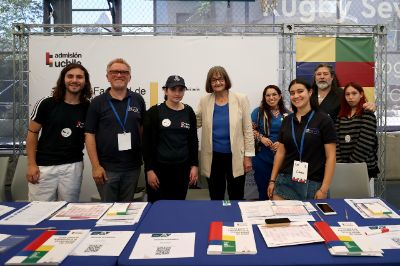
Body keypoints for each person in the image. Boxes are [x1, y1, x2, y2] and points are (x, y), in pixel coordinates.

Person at [26, 63, 92, 201]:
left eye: (79, 77)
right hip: (43, 167)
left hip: (73, 166)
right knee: (39, 211)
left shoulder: (88, 108)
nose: (74, 80)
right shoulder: (46, 104)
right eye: (70, 76)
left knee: (67, 211)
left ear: (85, 81)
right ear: (63, 79)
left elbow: (90, 137)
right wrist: (31, 164)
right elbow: (32, 133)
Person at [85, 58, 146, 202]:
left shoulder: (138, 99)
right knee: (108, 211)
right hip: (106, 169)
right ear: (107, 77)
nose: (119, 75)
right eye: (114, 72)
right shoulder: (97, 103)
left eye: (124, 72)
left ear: (130, 77)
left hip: (133, 167)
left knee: (126, 210)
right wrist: (95, 166)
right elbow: (89, 135)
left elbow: (143, 130)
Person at [267, 79, 336, 200]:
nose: (296, 96)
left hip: (313, 183)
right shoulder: (287, 120)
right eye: (292, 93)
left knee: (312, 218)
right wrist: (272, 180)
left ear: (310, 92)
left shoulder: (324, 120)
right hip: (285, 180)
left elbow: (331, 157)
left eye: (300, 91)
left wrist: (324, 189)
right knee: (283, 217)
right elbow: (281, 153)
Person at [196, 66, 254, 200]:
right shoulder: (205, 101)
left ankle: (235, 220)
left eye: (220, 79)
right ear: (209, 83)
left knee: (236, 195)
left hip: (236, 157)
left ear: (226, 80)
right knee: (216, 195)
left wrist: (248, 156)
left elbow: (248, 129)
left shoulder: (241, 99)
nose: (217, 83)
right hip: (213, 158)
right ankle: (218, 220)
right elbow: (196, 122)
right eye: (213, 80)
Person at [143, 75, 199, 202]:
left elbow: (193, 140)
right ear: (166, 90)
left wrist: (194, 165)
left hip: (182, 170)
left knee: (177, 206)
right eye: (173, 89)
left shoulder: (189, 111)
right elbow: (146, 144)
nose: (177, 93)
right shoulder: (154, 112)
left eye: (181, 90)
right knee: (157, 207)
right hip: (158, 170)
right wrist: (149, 170)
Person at [251, 85, 289, 200]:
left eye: (274, 94)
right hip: (262, 157)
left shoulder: (288, 114)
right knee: (263, 189)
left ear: (280, 96)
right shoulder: (257, 112)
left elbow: (293, 134)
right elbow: (249, 130)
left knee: (280, 191)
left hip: (282, 159)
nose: (271, 97)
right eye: (268, 95)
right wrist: (261, 137)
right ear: (264, 97)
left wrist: (282, 143)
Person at [335, 82, 379, 179]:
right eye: (347, 94)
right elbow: (336, 141)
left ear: (361, 94)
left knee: (360, 194)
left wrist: (351, 166)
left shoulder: (367, 114)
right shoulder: (340, 116)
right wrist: (340, 163)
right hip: (342, 167)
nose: (350, 97)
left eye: (354, 93)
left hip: (362, 166)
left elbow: (365, 143)